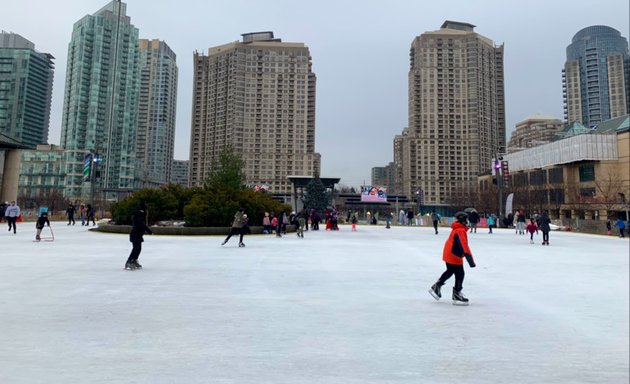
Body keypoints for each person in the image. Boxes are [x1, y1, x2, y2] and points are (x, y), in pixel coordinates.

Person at [429, 211, 476, 305]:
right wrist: (469, 259)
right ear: (463, 220)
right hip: (453, 255)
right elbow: (464, 245)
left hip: (449, 253)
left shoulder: (458, 228)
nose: (467, 221)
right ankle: (457, 294)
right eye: (466, 219)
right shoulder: (460, 230)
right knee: (460, 274)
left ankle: (436, 286)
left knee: (450, 271)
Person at [125, 202, 153, 270]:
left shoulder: (140, 216)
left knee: (138, 249)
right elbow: (142, 225)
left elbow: (142, 225)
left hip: (138, 235)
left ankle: (134, 260)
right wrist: (149, 231)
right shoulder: (139, 216)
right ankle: (129, 261)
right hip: (135, 235)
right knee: (136, 249)